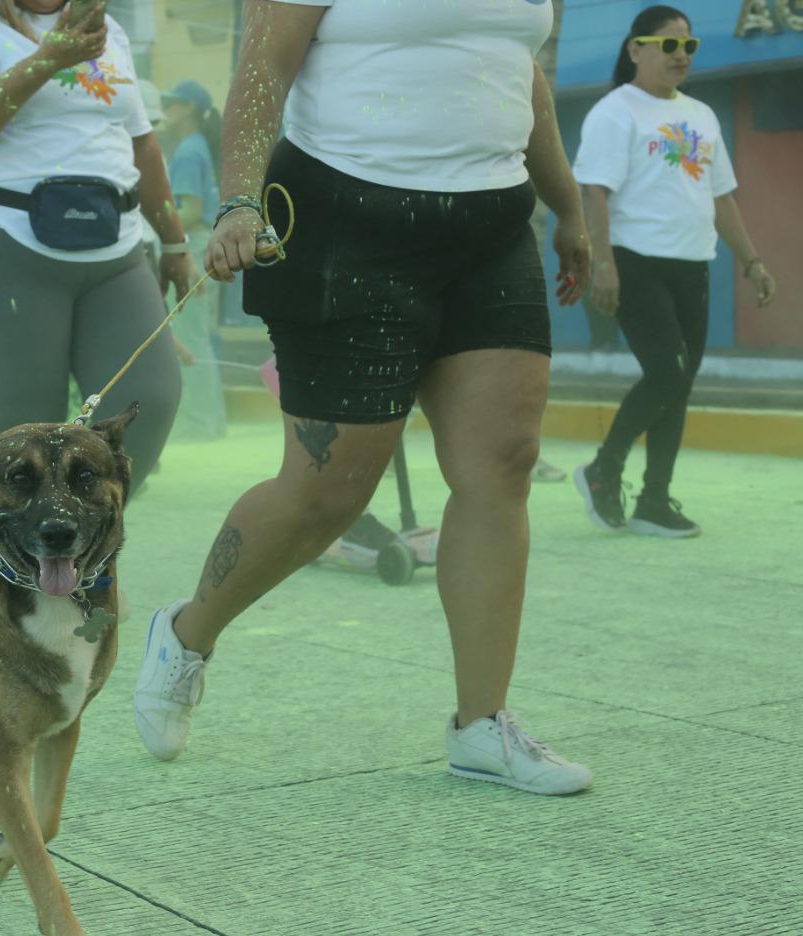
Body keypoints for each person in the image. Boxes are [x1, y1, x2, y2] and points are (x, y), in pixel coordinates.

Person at [131, 0, 597, 796]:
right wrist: (239, 198)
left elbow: (520, 72)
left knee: (503, 464)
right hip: (347, 221)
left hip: (491, 226)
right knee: (329, 489)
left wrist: (568, 204)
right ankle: (185, 633)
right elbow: (265, 66)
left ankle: (481, 725)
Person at [0, 0, 188, 489]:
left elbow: (141, 141)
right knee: (22, 446)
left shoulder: (108, 29)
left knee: (147, 404)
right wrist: (49, 58)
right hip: (0, 243)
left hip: (116, 251)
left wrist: (174, 242)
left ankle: (84, 547)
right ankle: (20, 560)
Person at [572, 5, 777, 538]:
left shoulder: (703, 116)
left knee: (679, 386)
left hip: (693, 265)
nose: (681, 55)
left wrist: (752, 261)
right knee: (666, 373)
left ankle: (654, 500)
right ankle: (603, 468)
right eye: (668, 45)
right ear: (635, 49)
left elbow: (722, 198)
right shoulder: (616, 112)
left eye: (689, 46)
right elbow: (594, 192)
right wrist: (603, 264)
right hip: (637, 263)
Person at [161, 79, 228, 441]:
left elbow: (192, 210)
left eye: (170, 103)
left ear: (187, 109)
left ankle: (202, 422)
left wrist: (155, 217)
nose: (164, 109)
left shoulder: (188, 150)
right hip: (205, 245)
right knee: (199, 335)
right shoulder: (199, 146)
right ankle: (211, 421)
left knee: (190, 337)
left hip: (194, 245)